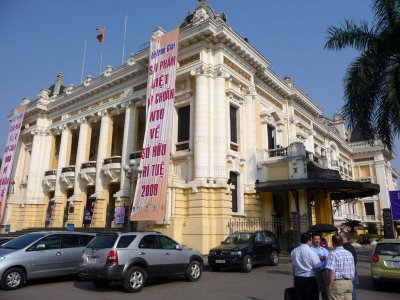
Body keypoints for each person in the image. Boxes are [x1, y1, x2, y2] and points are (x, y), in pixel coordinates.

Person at [291, 232, 321, 300]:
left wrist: (294, 278)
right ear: (309, 240)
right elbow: (317, 268)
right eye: (311, 240)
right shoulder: (311, 252)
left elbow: (293, 266)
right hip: (309, 279)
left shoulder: (294, 251)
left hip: (298, 278)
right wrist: (319, 281)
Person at [325, 234, 355, 300]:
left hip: (337, 283)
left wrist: (330, 284)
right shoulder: (349, 253)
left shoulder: (333, 254)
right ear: (342, 242)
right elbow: (353, 269)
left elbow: (331, 270)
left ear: (333, 243)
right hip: (349, 283)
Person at [339, 231, 358, 300]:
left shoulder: (348, 248)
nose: (339, 239)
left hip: (350, 276)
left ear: (345, 238)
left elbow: (354, 262)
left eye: (340, 237)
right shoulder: (346, 247)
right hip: (351, 275)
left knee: (351, 296)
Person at [311, 233, 330, 300]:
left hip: (324, 272)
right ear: (312, 240)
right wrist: (319, 258)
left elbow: (329, 260)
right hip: (315, 272)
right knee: (315, 291)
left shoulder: (324, 250)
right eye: (315, 239)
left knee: (325, 292)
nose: (317, 241)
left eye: (318, 239)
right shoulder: (310, 250)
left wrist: (326, 259)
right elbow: (309, 261)